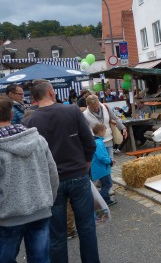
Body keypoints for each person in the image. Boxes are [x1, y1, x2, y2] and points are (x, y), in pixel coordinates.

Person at [21, 79, 100, 263]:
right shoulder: (72, 110)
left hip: (50, 182)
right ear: (50, 92)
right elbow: (89, 143)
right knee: (87, 229)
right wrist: (84, 167)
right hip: (78, 176)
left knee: (57, 235)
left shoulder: (29, 121)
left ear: (33, 98)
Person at [0, 96, 59, 262]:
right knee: (40, 259)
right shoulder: (39, 140)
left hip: (7, 216)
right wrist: (48, 199)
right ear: (12, 114)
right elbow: (53, 174)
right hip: (40, 209)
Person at [91, 123, 117, 206]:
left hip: (100, 168)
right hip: (102, 169)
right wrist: (110, 161)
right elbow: (102, 157)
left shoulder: (96, 141)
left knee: (105, 184)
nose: (105, 133)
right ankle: (103, 201)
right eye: (104, 131)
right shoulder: (99, 143)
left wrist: (109, 159)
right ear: (100, 132)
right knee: (108, 184)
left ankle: (107, 200)